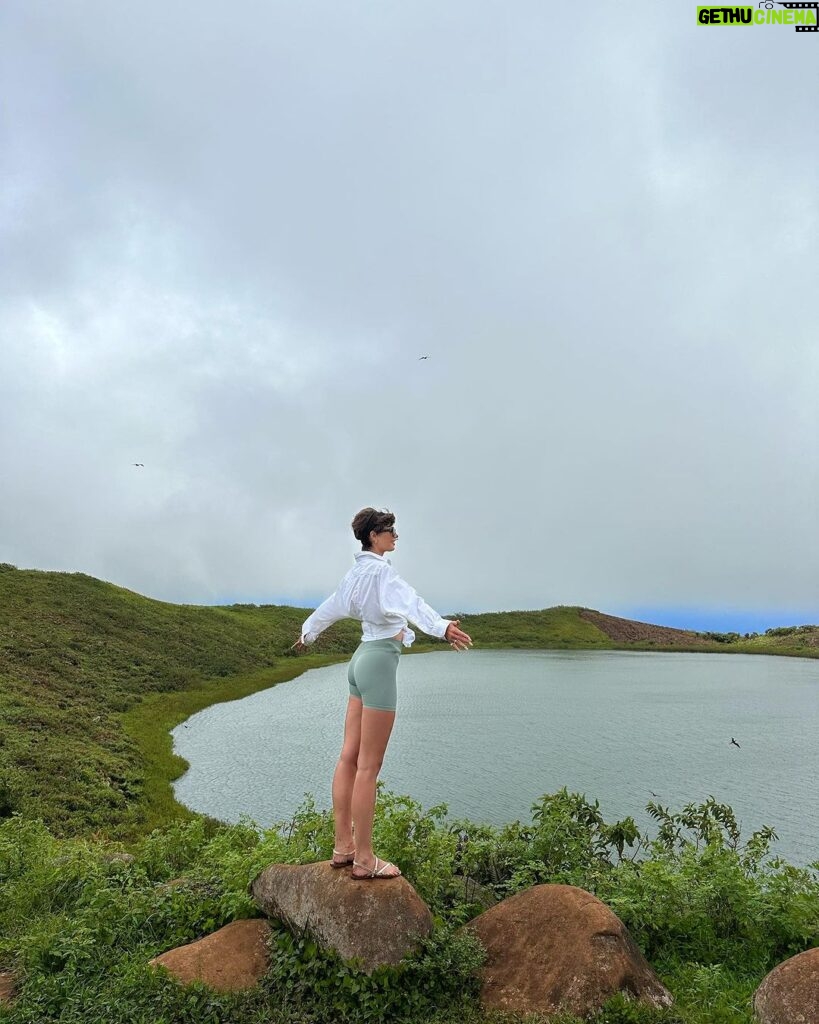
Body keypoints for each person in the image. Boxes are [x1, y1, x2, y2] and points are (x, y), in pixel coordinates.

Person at [292, 507, 472, 880]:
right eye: (390, 530)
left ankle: (343, 847)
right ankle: (365, 859)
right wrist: (443, 628)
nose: (395, 536)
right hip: (377, 665)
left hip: (360, 662)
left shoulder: (354, 575)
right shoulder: (381, 573)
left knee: (348, 758)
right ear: (373, 535)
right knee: (368, 767)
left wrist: (308, 633)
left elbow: (330, 608)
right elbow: (412, 603)